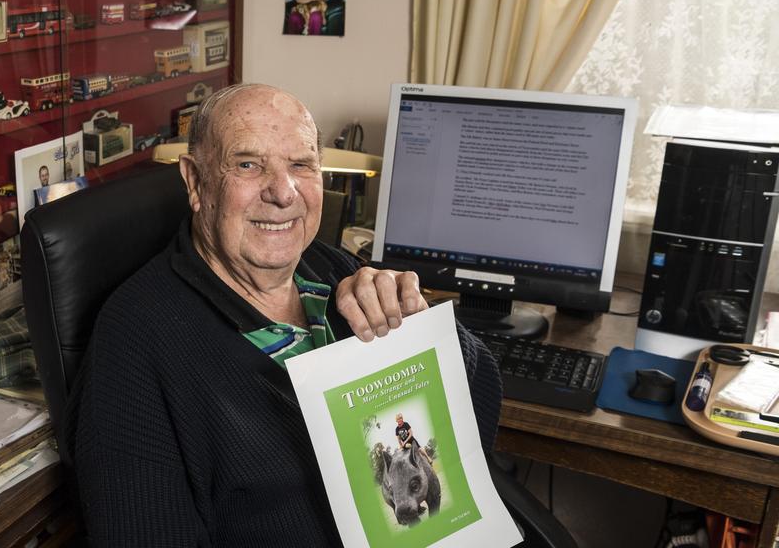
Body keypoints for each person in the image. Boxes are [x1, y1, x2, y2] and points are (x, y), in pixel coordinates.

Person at [68, 83, 502, 546]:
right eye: (248, 164)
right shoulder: (137, 341)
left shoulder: (332, 269)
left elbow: (481, 405)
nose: (282, 192)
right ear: (196, 183)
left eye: (301, 164)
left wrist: (422, 322)